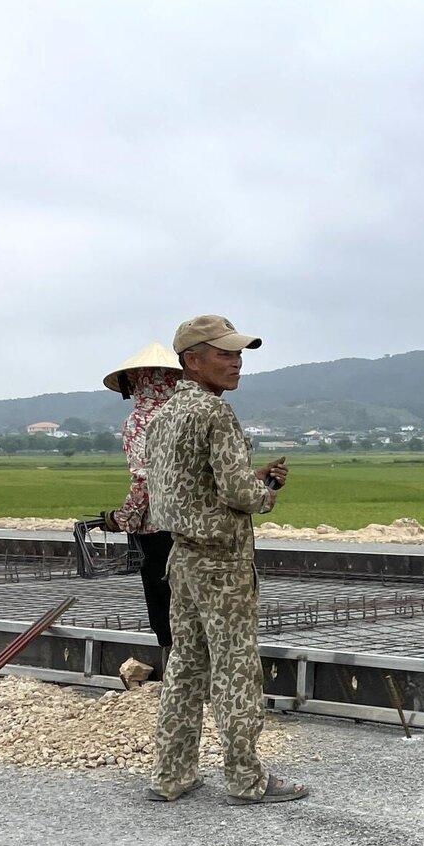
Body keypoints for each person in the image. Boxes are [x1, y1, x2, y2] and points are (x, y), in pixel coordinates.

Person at [144, 314, 306, 804]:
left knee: (186, 666)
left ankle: (171, 775)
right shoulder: (216, 414)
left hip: (182, 557)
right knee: (236, 665)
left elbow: (185, 485)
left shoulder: (164, 415)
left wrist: (245, 478)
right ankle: (246, 778)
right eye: (224, 354)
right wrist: (268, 488)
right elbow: (240, 494)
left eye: (238, 355)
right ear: (193, 361)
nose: (236, 364)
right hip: (222, 561)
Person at [99, 342, 183, 670]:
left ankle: (175, 674)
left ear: (137, 381)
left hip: (157, 526)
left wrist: (124, 518)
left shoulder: (141, 420)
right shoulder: (191, 413)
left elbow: (144, 478)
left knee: (162, 596)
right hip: (196, 523)